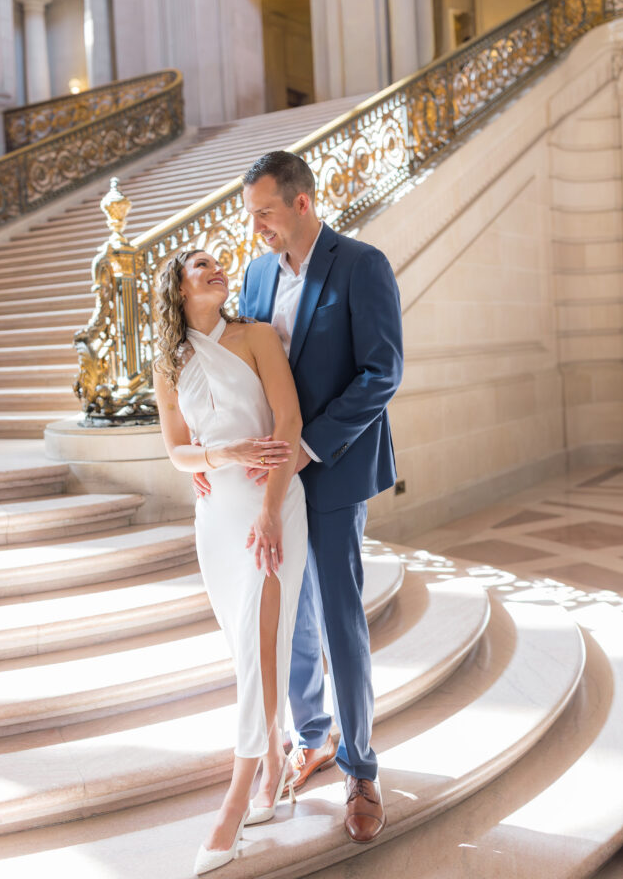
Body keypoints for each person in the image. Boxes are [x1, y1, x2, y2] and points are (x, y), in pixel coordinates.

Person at [193, 150, 403, 843]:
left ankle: (361, 770)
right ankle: (311, 736)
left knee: (339, 615)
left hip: (333, 468)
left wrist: (310, 444)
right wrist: (202, 450)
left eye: (265, 213)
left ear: (302, 203)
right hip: (269, 482)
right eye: (250, 215)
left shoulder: (361, 264)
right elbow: (232, 362)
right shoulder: (254, 274)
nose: (255, 228)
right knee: (290, 619)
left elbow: (381, 372)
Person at [152, 249, 308, 874]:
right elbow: (177, 452)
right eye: (200, 266)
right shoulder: (167, 362)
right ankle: (275, 760)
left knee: (262, 643)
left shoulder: (257, 336)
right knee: (246, 649)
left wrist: (270, 510)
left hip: (272, 508)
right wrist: (220, 455)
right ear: (177, 288)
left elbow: (290, 419)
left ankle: (236, 798)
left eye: (219, 264)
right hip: (217, 520)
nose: (216, 269)